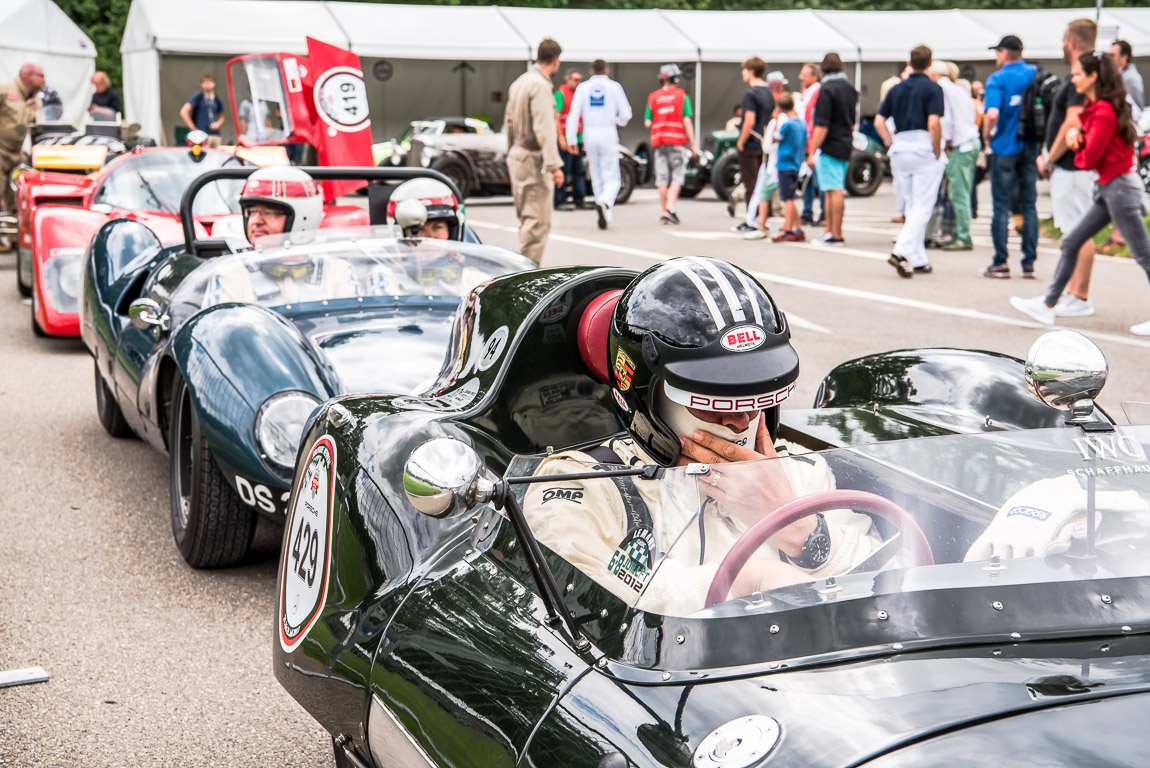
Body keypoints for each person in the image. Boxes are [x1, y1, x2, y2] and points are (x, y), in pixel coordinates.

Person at [523, 257, 883, 615]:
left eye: (756, 399)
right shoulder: (582, 486)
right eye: (714, 403)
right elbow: (586, 597)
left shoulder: (803, 471)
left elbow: (891, 587)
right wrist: (745, 582)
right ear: (648, 396)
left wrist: (799, 528)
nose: (741, 422)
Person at [1009, 51, 1150, 337]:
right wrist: (1079, 138)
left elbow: (1088, 159)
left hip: (1120, 189)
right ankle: (1047, 305)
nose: (1073, 79)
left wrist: (1075, 141)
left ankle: (1048, 303)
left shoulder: (1105, 111)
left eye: (1077, 75)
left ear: (1093, 77)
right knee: (1071, 241)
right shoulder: (1101, 108)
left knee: (1144, 255)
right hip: (1113, 188)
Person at [202, 167, 358, 307]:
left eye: (268, 213)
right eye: (251, 212)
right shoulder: (230, 275)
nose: (255, 221)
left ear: (303, 217)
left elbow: (354, 331)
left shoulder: (338, 271)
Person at [1034, 19, 1098, 318]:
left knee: (1077, 231)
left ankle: (1078, 295)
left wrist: (1049, 157)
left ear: (1070, 41)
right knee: (1075, 231)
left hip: (1073, 165)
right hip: (1076, 165)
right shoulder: (1091, 69)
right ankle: (1072, 293)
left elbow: (1073, 121)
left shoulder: (1081, 74)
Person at [876, 46, 945, 278]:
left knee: (910, 204)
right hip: (923, 146)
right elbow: (934, 123)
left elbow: (879, 121)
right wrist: (936, 149)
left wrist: (890, 141)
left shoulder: (896, 89)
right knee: (922, 206)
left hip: (900, 147)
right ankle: (901, 251)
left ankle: (919, 259)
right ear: (930, 63)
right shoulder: (933, 88)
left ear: (909, 62)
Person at [981, 35, 1039, 279]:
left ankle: (1001, 262)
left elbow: (992, 112)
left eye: (997, 52)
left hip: (1005, 147)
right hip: (1031, 145)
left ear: (1004, 53)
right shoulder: (1036, 73)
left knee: (1000, 206)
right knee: (1028, 205)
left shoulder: (998, 78)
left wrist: (986, 136)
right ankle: (1028, 261)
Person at [505, 39, 565, 265]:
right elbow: (544, 128)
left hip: (517, 154)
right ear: (556, 60)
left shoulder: (519, 82)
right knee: (537, 221)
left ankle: (523, 269)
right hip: (532, 157)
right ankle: (526, 273)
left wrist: (510, 151)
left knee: (526, 218)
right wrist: (554, 165)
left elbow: (509, 122)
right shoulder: (540, 85)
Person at [566, 59, 631, 231]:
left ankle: (605, 213)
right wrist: (616, 121)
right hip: (608, 132)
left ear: (591, 71)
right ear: (607, 70)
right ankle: (605, 202)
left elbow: (573, 115)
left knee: (596, 175)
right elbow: (626, 114)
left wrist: (571, 139)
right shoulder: (615, 87)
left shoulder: (583, 88)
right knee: (613, 177)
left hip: (589, 134)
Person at [929, 60, 981, 252]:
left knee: (958, 193)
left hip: (961, 145)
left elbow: (946, 120)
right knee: (963, 192)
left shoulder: (942, 90)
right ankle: (961, 234)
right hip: (971, 141)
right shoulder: (958, 88)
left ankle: (963, 237)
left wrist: (946, 144)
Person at [807, 53, 855, 247]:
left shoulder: (826, 89)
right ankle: (831, 231)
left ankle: (835, 233)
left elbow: (821, 125)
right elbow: (851, 122)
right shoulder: (849, 89)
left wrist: (812, 150)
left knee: (832, 190)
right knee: (832, 189)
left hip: (830, 144)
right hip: (844, 142)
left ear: (823, 68)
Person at [645, 63, 697, 225]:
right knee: (677, 177)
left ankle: (663, 211)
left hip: (659, 143)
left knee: (661, 178)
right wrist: (693, 144)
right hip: (676, 142)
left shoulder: (653, 97)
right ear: (675, 78)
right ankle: (670, 209)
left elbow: (648, 122)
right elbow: (686, 121)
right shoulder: (682, 96)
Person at [732, 57, 773, 234]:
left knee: (751, 183)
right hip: (765, 142)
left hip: (751, 142)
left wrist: (741, 141)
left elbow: (749, 120)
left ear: (751, 71)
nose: (743, 73)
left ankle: (752, 219)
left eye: (744, 69)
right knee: (761, 181)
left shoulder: (751, 93)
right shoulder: (769, 91)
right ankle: (761, 218)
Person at [0, 62, 43, 218]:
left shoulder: (36, 101)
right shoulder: (4, 90)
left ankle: (12, 241)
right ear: (27, 76)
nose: (44, 80)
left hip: (16, 154)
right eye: (41, 76)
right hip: (0, 151)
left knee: (16, 200)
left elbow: (36, 129)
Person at [772, 93, 807, 242]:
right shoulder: (802, 123)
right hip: (796, 163)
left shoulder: (787, 125)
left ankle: (787, 229)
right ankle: (798, 227)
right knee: (790, 197)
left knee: (787, 198)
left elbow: (775, 138)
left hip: (785, 164)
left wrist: (774, 119)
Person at [385, 178, 465, 241]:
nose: (430, 237)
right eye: (419, 229)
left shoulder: (470, 258)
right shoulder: (382, 261)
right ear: (400, 233)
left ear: (451, 231)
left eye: (437, 227)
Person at [553, 67, 587, 211]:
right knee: (563, 171)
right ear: (567, 80)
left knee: (578, 171)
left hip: (577, 139)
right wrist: (561, 137)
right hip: (565, 139)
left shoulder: (580, 95)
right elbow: (556, 117)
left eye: (580, 80)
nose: (578, 83)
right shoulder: (561, 94)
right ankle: (560, 201)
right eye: (576, 80)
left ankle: (579, 199)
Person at [798, 63, 824, 227]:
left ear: (814, 77)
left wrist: (812, 147)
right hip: (807, 143)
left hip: (813, 143)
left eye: (804, 75)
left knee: (818, 181)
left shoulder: (817, 92)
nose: (801, 78)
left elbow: (814, 122)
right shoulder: (808, 93)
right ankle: (807, 212)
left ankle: (822, 212)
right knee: (806, 178)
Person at [180, 73, 225, 149]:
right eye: (204, 82)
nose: (207, 84)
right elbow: (184, 112)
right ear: (201, 85)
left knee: (216, 156)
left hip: (215, 135)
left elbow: (221, 116)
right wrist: (193, 127)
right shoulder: (198, 97)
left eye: (209, 81)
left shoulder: (217, 99)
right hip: (201, 135)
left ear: (214, 83)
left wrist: (218, 124)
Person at [1109, 39, 1144, 114]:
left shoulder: (1130, 79)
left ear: (1124, 58)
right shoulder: (1119, 75)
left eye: (1112, 55)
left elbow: (1137, 110)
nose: (1108, 59)